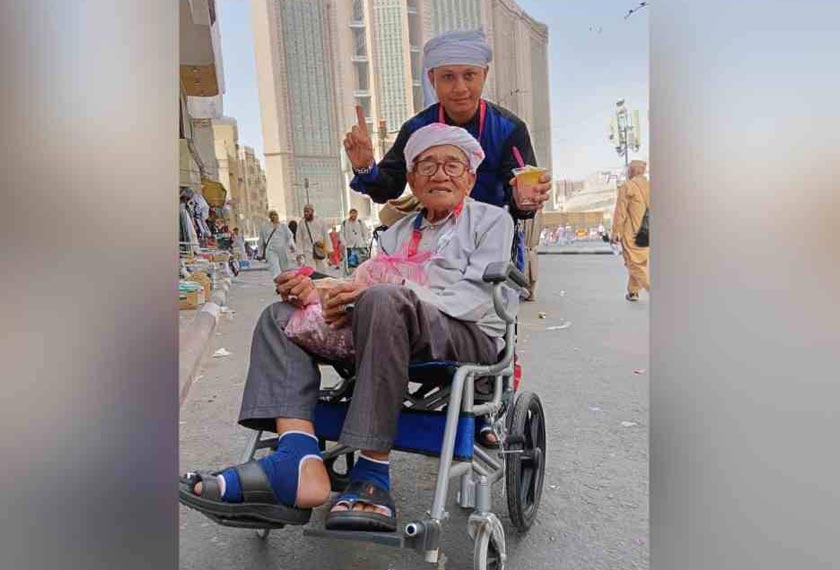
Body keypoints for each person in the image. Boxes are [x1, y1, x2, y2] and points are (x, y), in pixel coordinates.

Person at [179, 124, 516, 533]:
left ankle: (372, 471)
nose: (439, 174)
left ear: (470, 177)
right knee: (279, 318)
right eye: (427, 165)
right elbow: (364, 284)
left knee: (383, 298)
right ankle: (298, 461)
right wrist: (319, 292)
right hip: (389, 325)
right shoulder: (394, 234)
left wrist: (380, 292)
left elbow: (473, 299)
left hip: (466, 333)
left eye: (452, 165)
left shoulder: (491, 220)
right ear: (411, 178)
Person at [343, 30, 552, 253]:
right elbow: (387, 189)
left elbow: (521, 201)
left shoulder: (510, 129)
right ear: (432, 79)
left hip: (494, 246)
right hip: (432, 247)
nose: (460, 88)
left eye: (469, 75)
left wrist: (524, 200)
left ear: (484, 74)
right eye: (448, 77)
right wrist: (365, 167)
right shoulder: (416, 129)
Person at [611, 160, 650, 301]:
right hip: (648, 232)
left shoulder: (627, 187)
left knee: (634, 264)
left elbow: (620, 212)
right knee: (640, 262)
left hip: (632, 232)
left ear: (632, 171)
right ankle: (633, 291)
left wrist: (616, 232)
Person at [259, 210, 299, 279]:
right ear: (270, 217)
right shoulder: (264, 227)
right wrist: (260, 253)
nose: (274, 216)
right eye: (272, 215)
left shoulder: (283, 226)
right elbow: (261, 241)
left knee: (284, 269)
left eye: (275, 215)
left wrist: (291, 245)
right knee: (275, 268)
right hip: (271, 251)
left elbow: (289, 236)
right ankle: (277, 282)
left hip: (282, 250)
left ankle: (283, 283)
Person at [295, 204, 333, 273]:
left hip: (319, 249)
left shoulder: (320, 221)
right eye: (305, 211)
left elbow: (326, 235)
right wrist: (299, 253)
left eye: (308, 211)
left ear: (312, 211)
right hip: (308, 251)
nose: (306, 213)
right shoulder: (301, 223)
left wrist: (329, 250)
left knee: (322, 269)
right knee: (311, 271)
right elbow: (299, 238)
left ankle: (322, 282)